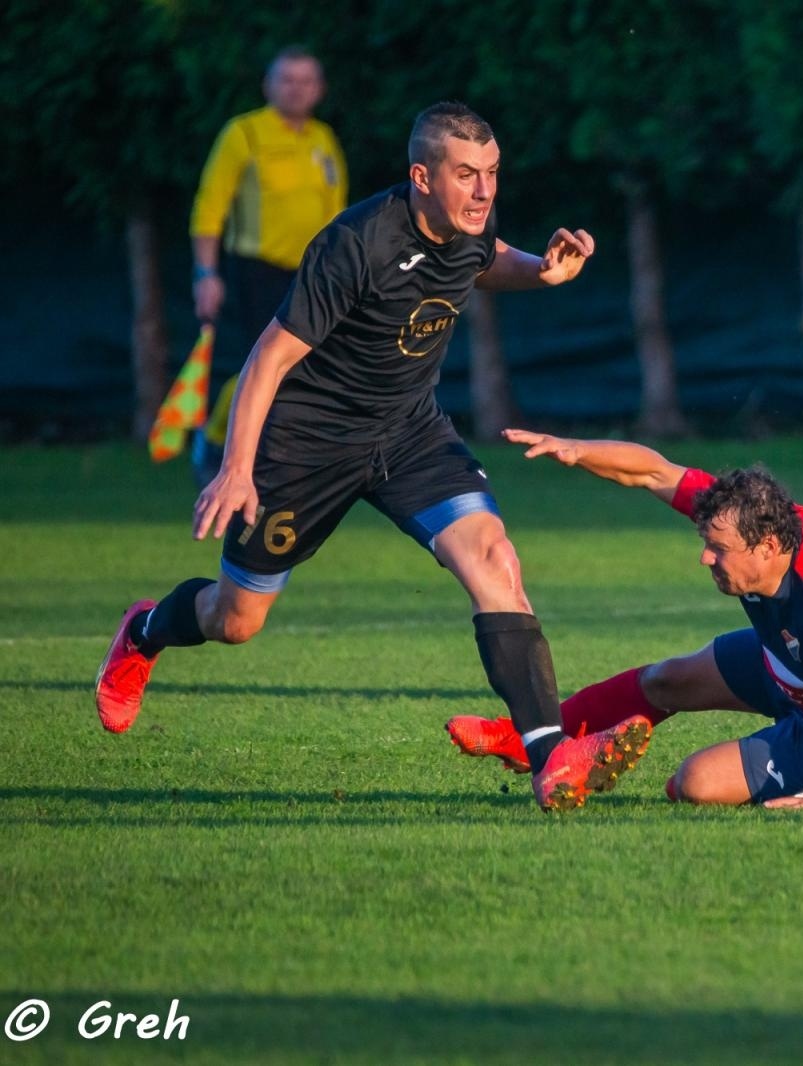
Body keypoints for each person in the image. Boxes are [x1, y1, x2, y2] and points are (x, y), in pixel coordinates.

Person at [95, 102, 613, 812]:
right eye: (467, 176)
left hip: (410, 435)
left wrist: (543, 273)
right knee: (237, 620)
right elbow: (268, 358)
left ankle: (551, 760)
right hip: (307, 447)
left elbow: (485, 260)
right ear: (421, 177)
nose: (485, 191)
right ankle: (145, 630)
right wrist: (238, 467)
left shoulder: (469, 221)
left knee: (496, 561)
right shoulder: (356, 244)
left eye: (492, 174)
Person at [445, 432, 803, 812]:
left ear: (767, 547)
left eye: (718, 550)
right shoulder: (752, 516)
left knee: (694, 784)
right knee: (667, 679)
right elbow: (653, 472)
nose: (705, 559)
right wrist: (577, 449)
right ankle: (535, 741)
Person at [190, 46, 347, 485]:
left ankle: (291, 455)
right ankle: (218, 440)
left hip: (314, 274)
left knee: (312, 364)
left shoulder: (323, 140)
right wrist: (206, 273)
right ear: (268, 85)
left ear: (319, 89)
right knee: (263, 363)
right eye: (287, 79)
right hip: (258, 268)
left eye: (306, 81)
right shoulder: (245, 134)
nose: (296, 89)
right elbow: (210, 207)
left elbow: (339, 218)